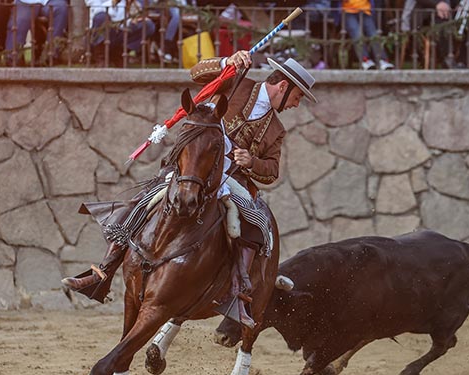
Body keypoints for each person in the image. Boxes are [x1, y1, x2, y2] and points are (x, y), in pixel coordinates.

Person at [62, 49, 317, 327]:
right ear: (283, 85)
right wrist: (225, 62)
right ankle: (102, 273)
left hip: (232, 181)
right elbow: (196, 73)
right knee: (143, 200)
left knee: (256, 225)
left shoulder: (276, 129)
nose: (297, 103)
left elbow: (272, 172)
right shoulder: (239, 81)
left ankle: (239, 293)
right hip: (194, 169)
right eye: (298, 95)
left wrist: (251, 161)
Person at [85, 0, 156, 66]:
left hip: (121, 30)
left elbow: (124, 16)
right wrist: (114, 2)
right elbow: (97, 11)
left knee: (148, 26)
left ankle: (118, 54)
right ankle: (101, 57)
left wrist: (134, 19)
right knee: (101, 17)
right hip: (100, 33)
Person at [332, 0, 394, 70]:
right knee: (357, 33)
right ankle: (365, 60)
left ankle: (382, 60)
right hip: (347, 11)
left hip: (365, 11)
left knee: (373, 34)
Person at [4, 0, 68, 65]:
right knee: (19, 22)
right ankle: (12, 57)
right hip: (25, 2)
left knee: (61, 9)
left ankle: (50, 55)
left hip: (50, 1)